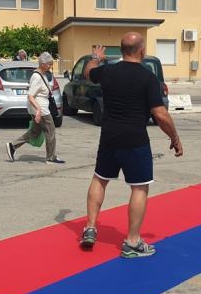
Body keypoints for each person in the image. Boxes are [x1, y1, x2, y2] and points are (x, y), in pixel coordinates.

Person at [78, 33, 183, 258]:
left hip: (108, 137)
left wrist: (95, 57)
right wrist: (174, 137)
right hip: (135, 140)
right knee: (139, 187)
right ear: (142, 51)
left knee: (99, 179)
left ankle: (90, 228)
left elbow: (88, 72)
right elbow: (160, 114)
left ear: (122, 50)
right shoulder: (148, 78)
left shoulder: (107, 71)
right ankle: (132, 242)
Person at [6, 52, 64, 164]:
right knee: (50, 131)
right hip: (41, 109)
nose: (50, 66)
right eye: (49, 64)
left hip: (40, 108)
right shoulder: (37, 77)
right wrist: (38, 110)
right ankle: (51, 157)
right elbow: (30, 96)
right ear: (42, 64)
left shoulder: (42, 74)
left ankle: (12, 145)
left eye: (51, 64)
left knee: (35, 132)